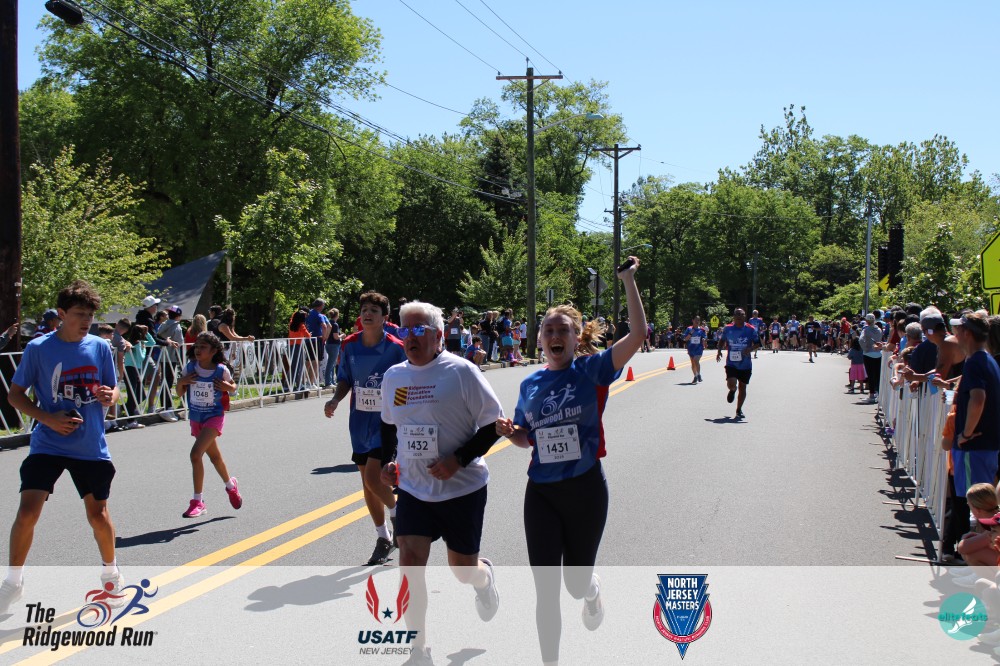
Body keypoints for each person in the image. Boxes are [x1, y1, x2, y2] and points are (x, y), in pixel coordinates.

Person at [498, 257, 645, 665]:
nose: (555, 335)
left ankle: (591, 591)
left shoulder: (591, 370)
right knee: (546, 591)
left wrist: (628, 281)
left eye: (563, 329)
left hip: (585, 490)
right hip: (542, 493)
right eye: (548, 330)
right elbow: (527, 438)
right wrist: (511, 432)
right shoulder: (530, 384)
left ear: (577, 337)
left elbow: (638, 334)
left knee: (575, 585)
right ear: (539, 340)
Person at [378, 301, 507, 665]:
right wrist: (389, 462)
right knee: (409, 562)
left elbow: (494, 424)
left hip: (462, 487)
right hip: (414, 489)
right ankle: (418, 650)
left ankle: (484, 578)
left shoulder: (461, 372)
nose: (410, 338)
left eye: (419, 330)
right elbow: (388, 426)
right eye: (405, 330)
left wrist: (457, 460)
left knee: (463, 569)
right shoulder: (394, 377)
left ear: (438, 336)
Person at [1, 281, 124, 615]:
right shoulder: (39, 348)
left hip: (89, 444)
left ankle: (111, 574)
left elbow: (114, 390)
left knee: (97, 515)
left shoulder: (99, 347)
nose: (86, 321)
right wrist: (48, 418)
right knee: (28, 511)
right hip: (49, 442)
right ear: (61, 314)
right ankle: (13, 582)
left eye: (90, 316)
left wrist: (109, 396)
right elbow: (15, 395)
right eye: (79, 314)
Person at [324, 291, 406, 566]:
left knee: (373, 478)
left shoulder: (396, 348)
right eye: (364, 310)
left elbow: (407, 382)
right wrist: (336, 399)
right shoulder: (349, 345)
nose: (368, 314)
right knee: (368, 485)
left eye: (374, 310)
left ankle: (398, 516)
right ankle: (383, 537)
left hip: (387, 424)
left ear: (385, 317)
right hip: (359, 423)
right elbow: (345, 379)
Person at [176, 332, 242, 518]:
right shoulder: (190, 367)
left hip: (214, 417)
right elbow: (179, 393)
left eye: (203, 347)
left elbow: (233, 387)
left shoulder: (221, 370)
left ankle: (198, 501)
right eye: (196, 346)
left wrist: (228, 387)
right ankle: (231, 486)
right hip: (197, 417)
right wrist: (182, 382)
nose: (198, 350)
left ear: (213, 351)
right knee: (215, 457)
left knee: (195, 454)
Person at [949, 311, 1000, 500]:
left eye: (958, 330)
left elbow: (978, 399)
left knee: (974, 502)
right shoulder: (988, 360)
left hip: (974, 447)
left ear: (967, 333)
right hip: (985, 445)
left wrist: (966, 433)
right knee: (981, 500)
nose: (955, 334)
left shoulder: (975, 362)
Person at [716, 308, 759, 420]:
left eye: (741, 314)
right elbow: (722, 340)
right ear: (734, 316)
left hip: (745, 364)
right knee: (731, 383)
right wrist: (719, 351)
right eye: (737, 314)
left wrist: (750, 349)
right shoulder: (728, 328)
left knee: (743, 387)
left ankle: (739, 409)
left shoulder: (750, 329)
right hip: (731, 363)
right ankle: (732, 390)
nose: (739, 316)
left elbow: (758, 343)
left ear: (745, 316)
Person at [858, 314, 883, 404]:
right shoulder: (879, 329)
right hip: (878, 353)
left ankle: (871, 395)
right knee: (877, 375)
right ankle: (878, 393)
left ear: (867, 321)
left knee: (870, 374)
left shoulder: (866, 329)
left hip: (868, 354)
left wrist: (865, 348)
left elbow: (861, 340)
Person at [683, 316, 708, 383]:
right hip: (691, 348)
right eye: (696, 320)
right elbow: (685, 339)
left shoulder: (702, 330)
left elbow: (705, 338)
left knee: (696, 360)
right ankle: (695, 376)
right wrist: (690, 333)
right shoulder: (689, 329)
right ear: (693, 320)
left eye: (698, 320)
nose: (697, 321)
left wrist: (704, 339)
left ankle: (699, 374)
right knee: (693, 363)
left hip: (699, 348)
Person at [324, 308, 343, 387]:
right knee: (331, 364)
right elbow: (336, 337)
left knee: (332, 363)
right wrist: (342, 335)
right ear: (337, 315)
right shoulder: (335, 324)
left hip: (328, 344)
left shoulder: (328, 322)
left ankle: (332, 381)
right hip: (334, 345)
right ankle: (328, 382)